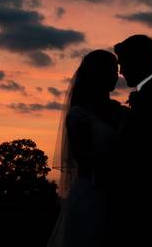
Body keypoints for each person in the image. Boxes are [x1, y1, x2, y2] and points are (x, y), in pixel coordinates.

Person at [48, 49, 129, 247]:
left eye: (117, 70)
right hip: (91, 195)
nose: (117, 76)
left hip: (118, 196)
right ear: (97, 74)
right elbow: (83, 160)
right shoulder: (78, 115)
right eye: (112, 70)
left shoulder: (121, 112)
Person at [109, 34, 152, 246]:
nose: (121, 72)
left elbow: (136, 149)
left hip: (147, 202)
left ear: (139, 61)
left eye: (124, 64)